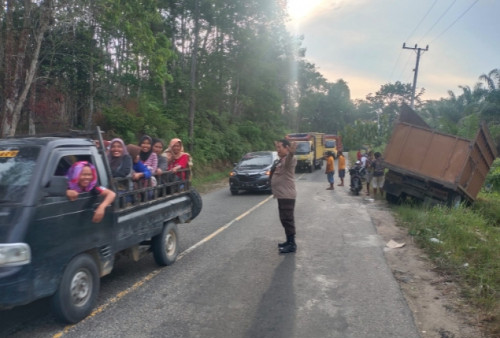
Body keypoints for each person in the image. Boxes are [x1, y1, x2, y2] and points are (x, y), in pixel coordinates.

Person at [271, 139, 298, 254]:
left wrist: (291, 153)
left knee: (288, 219)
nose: (277, 150)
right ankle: (288, 241)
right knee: (284, 219)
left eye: (280, 148)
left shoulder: (289, 159)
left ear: (287, 148)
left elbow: (289, 160)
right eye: (277, 148)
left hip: (287, 195)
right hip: (282, 196)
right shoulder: (281, 160)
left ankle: (292, 244)